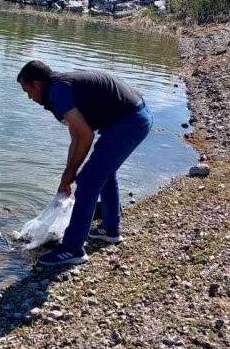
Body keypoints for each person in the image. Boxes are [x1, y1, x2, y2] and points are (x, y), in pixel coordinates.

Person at [16, 60, 153, 267]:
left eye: (28, 91)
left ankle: (72, 249)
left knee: (88, 180)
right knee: (103, 172)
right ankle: (109, 229)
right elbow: (76, 135)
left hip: (130, 121)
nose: (29, 97)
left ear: (37, 84)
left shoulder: (58, 92)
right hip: (132, 118)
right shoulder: (60, 88)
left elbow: (86, 136)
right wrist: (67, 173)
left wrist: (73, 172)